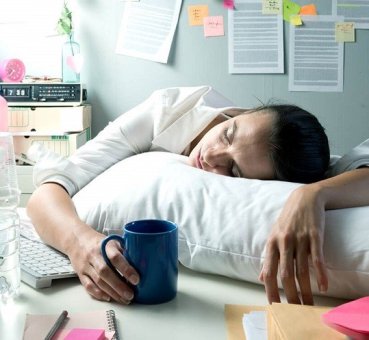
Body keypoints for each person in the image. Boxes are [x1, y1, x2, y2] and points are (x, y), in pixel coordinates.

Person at [26, 86, 368, 305]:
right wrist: (79, 244)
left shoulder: (299, 177)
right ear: (244, 112)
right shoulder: (168, 110)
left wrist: (311, 196)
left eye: (233, 171)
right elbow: (48, 191)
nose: (214, 155)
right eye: (229, 134)